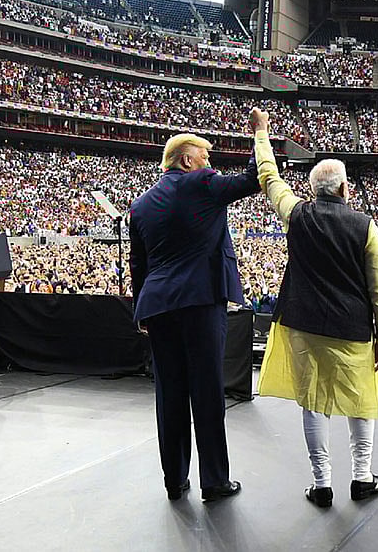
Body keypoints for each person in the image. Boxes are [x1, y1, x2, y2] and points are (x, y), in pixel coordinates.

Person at [252, 107, 378, 509]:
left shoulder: (296, 214)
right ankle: (363, 478)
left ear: (313, 190)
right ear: (345, 189)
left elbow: (270, 179)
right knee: (360, 398)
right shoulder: (365, 225)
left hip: (304, 325)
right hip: (351, 329)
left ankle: (322, 484)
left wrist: (262, 135)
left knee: (313, 402)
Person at [129, 131, 259, 503]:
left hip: (158, 307)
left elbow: (139, 264)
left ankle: (175, 479)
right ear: (186, 160)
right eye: (205, 156)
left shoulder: (140, 205)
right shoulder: (201, 184)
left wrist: (141, 309)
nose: (210, 164)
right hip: (200, 302)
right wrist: (260, 134)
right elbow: (251, 179)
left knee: (169, 394)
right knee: (206, 391)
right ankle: (214, 481)